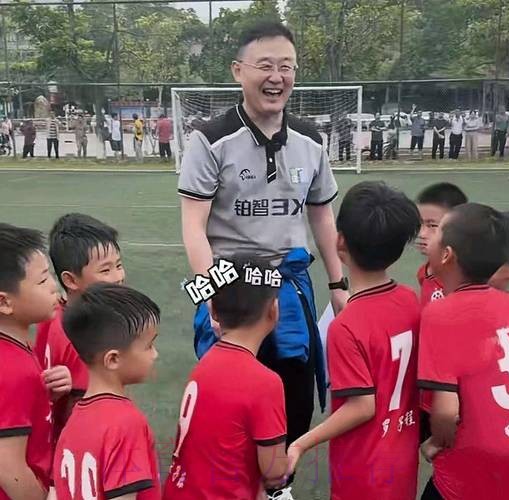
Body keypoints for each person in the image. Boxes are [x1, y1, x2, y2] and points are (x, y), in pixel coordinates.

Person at [178, 22, 345, 499]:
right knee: (228, 390)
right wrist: (209, 294)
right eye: (265, 66)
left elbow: (321, 214)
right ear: (239, 71)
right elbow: (193, 224)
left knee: (293, 387)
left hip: (288, 284)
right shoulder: (210, 138)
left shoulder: (311, 139)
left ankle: (279, 485)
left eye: (286, 67)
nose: (277, 77)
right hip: (230, 283)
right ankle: (230, 482)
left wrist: (339, 285)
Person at [287, 181, 421, 500]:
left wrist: (300, 443)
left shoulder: (346, 326)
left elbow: (361, 407)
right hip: (403, 456)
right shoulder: (409, 299)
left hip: (364, 468)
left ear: (340, 241)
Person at [164, 258, 288, 499]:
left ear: (214, 312)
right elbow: (273, 471)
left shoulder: (204, 364)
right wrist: (290, 457)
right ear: (273, 310)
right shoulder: (265, 383)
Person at [418, 203, 509, 500]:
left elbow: (447, 411)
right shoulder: (507, 304)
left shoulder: (440, 313)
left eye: (436, 230)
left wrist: (436, 442)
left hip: (475, 462)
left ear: (446, 254)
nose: (427, 235)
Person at [53, 283, 161, 499]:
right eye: (149, 346)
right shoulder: (126, 424)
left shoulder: (72, 423)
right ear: (113, 359)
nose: (155, 354)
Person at [34, 213, 125, 440]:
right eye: (105, 270)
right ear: (71, 280)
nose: (118, 277)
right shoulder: (78, 335)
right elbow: (84, 412)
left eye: (119, 265)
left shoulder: (55, 313)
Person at [0, 223, 59, 500]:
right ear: (4, 303)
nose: (54, 287)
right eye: (43, 281)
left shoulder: (16, 348)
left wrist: (44, 394)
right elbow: (9, 468)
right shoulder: (13, 369)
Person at [415, 182, 468, 308]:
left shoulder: (468, 276)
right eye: (419, 224)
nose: (422, 234)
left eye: (432, 225)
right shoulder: (424, 272)